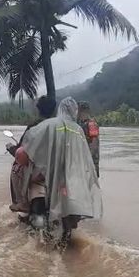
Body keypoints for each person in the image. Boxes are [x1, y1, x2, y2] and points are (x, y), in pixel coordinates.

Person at [19, 97, 103, 229]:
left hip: (46, 176)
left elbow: (25, 149)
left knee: (33, 186)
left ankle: (25, 209)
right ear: (75, 111)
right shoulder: (78, 129)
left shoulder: (46, 125)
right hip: (71, 176)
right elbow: (88, 151)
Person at [6, 96, 56, 212]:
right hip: (55, 168)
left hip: (37, 169)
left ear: (38, 109)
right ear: (54, 110)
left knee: (15, 169)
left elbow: (21, 148)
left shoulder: (34, 126)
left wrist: (11, 148)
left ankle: (21, 202)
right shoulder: (58, 126)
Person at [77, 101, 100, 177]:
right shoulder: (81, 123)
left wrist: (88, 159)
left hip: (90, 162)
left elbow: (94, 143)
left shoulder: (91, 124)